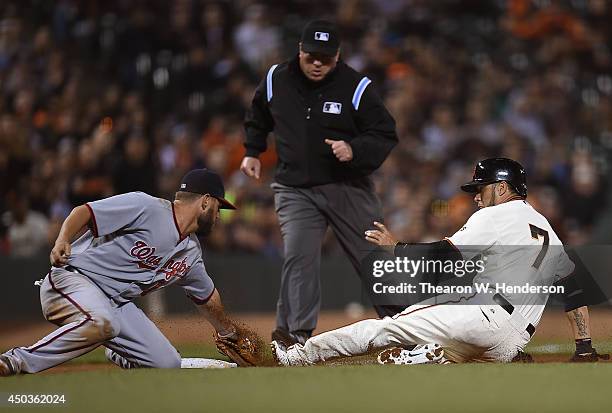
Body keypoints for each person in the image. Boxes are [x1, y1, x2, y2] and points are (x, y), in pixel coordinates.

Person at [271, 158, 578, 365]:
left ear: (500, 188)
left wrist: (397, 247)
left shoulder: (495, 214)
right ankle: (424, 356)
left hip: (484, 318)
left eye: (480, 188)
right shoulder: (547, 229)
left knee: (388, 329)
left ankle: (299, 355)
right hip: (512, 344)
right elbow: (574, 288)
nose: (475, 197)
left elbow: (443, 254)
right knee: (451, 346)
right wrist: (585, 345)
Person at [241, 19, 398, 345]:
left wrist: (355, 148)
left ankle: (407, 324)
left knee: (373, 255)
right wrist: (253, 151)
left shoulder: (356, 87)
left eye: (324, 58)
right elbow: (258, 114)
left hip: (348, 187)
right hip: (295, 188)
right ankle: (293, 336)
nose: (316, 63)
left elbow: (385, 133)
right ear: (299, 51)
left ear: (338, 56)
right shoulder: (275, 79)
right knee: (299, 256)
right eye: (311, 56)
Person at [0, 169, 238, 375]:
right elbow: (84, 212)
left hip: (115, 303)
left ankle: (120, 354)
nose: (219, 215)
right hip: (73, 280)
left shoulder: (192, 252)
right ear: (205, 201)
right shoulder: (147, 207)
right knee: (104, 323)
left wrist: (229, 333)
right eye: (218, 207)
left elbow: (208, 297)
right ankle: (15, 360)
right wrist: (62, 239)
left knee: (167, 363)